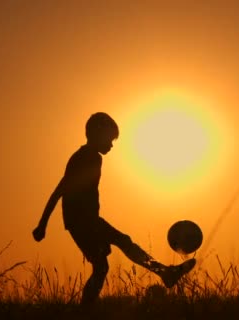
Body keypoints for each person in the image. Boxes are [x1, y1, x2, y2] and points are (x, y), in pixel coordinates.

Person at [32, 112, 195, 305]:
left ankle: (85, 311)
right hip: (83, 221)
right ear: (96, 134)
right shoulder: (85, 157)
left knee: (101, 267)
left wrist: (45, 223)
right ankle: (164, 273)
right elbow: (61, 189)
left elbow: (63, 188)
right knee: (120, 244)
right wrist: (42, 224)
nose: (111, 145)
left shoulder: (89, 157)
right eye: (109, 140)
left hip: (83, 220)